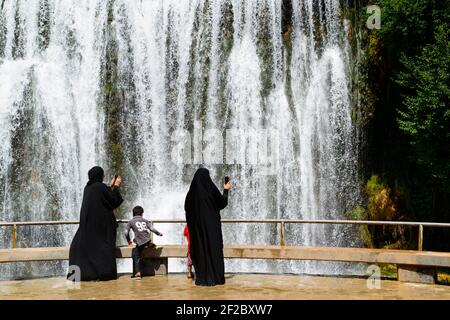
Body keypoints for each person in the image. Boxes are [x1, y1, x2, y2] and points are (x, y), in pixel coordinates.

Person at [68, 166, 123, 281]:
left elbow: (102, 195)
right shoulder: (100, 187)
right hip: (100, 228)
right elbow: (113, 200)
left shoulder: (88, 188)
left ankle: (79, 275)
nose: (103, 177)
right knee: (102, 249)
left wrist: (109, 186)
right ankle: (104, 274)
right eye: (102, 175)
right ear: (100, 176)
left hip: (88, 228)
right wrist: (116, 186)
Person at [184, 168, 232, 286]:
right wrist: (226, 190)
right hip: (212, 229)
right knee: (214, 249)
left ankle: (202, 278)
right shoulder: (211, 190)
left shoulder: (190, 195)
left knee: (200, 250)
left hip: (197, 231)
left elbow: (187, 209)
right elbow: (222, 203)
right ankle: (217, 277)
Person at [125, 206, 163, 280]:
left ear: (133, 213)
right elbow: (151, 229)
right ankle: (149, 244)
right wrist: (159, 233)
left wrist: (129, 240)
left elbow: (126, 232)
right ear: (142, 213)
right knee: (145, 241)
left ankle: (138, 274)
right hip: (148, 239)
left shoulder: (131, 221)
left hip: (140, 242)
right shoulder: (145, 220)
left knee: (136, 255)